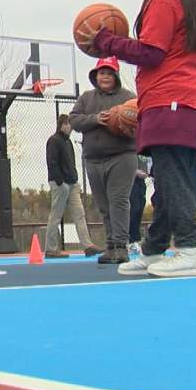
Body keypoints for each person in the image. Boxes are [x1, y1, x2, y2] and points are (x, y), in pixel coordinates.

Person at [78, 0, 196, 277]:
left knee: (172, 178)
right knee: (170, 177)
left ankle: (188, 248)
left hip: (170, 99)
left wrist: (110, 41)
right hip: (189, 99)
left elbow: (152, 52)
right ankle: (155, 249)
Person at [69, 57, 137, 264]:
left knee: (118, 201)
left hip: (121, 156)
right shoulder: (86, 98)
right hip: (94, 158)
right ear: (95, 75)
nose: (105, 76)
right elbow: (74, 119)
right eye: (101, 73)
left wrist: (124, 124)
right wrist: (95, 119)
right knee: (104, 205)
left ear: (116, 75)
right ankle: (111, 246)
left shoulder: (129, 98)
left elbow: (140, 121)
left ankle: (121, 245)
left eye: (109, 73)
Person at [45, 114, 100, 258]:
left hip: (72, 184)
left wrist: (75, 181)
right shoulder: (54, 141)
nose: (71, 127)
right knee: (56, 216)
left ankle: (87, 245)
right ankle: (51, 249)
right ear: (62, 125)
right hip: (61, 184)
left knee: (79, 214)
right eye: (69, 124)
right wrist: (59, 182)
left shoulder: (68, 142)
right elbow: (52, 162)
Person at [128, 156, 151, 255]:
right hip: (128, 180)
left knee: (139, 209)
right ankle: (130, 241)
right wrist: (134, 171)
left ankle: (136, 240)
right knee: (134, 208)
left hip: (141, 181)